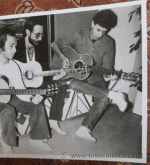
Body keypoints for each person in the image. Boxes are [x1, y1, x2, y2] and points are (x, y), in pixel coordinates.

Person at [51, 9, 128, 143]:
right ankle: (113, 95)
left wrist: (110, 75)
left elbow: (107, 68)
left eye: (104, 31)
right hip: (75, 75)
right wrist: (63, 57)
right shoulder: (78, 35)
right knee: (74, 84)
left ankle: (84, 129)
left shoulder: (109, 43)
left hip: (95, 75)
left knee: (103, 96)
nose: (100, 34)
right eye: (98, 30)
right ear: (93, 23)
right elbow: (54, 44)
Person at [14, 16, 67, 135]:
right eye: (37, 35)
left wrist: (56, 76)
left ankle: (54, 121)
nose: (40, 38)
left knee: (59, 88)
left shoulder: (41, 48)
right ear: (27, 32)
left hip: (36, 84)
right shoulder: (15, 48)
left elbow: (45, 73)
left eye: (42, 35)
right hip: (20, 88)